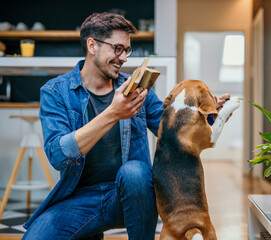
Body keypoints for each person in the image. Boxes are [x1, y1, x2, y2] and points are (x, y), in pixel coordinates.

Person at [22, 12, 230, 240]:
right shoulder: (56, 92)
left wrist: (208, 116)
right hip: (79, 199)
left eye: (126, 50)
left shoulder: (137, 90)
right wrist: (113, 113)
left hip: (129, 196)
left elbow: (171, 132)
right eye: (117, 49)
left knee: (136, 172)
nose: (123, 58)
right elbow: (57, 155)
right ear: (92, 46)